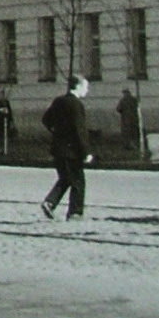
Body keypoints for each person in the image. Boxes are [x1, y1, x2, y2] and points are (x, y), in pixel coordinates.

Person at [40, 75, 92, 221]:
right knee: (78, 181)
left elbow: (46, 119)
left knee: (66, 178)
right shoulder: (76, 105)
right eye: (85, 87)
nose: (87, 91)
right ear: (78, 87)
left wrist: (56, 131)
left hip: (58, 147)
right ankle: (75, 212)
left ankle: (50, 203)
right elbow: (79, 129)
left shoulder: (58, 101)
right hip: (72, 150)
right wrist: (86, 151)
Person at [0, 88, 14, 154]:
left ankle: (6, 148)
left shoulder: (7, 103)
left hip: (6, 121)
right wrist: (0, 110)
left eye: (3, 95)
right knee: (0, 135)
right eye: (1, 95)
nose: (2, 96)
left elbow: (10, 112)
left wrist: (11, 121)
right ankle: (0, 148)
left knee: (7, 135)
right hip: (0, 121)